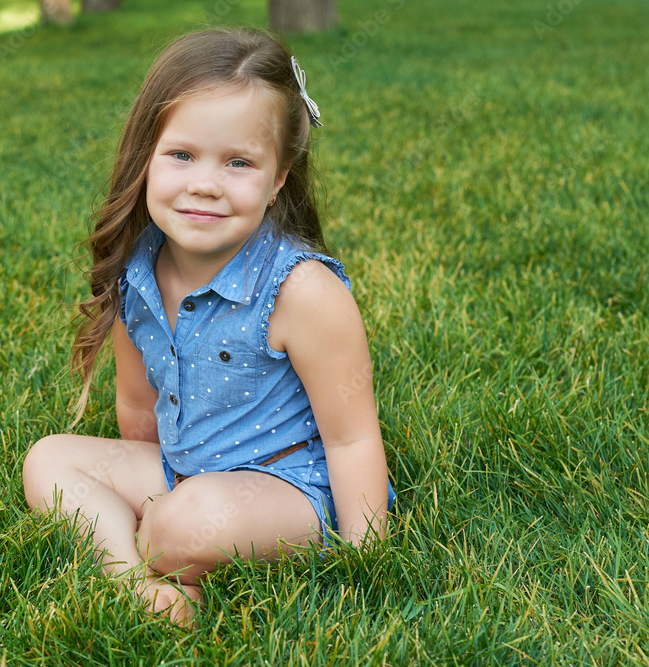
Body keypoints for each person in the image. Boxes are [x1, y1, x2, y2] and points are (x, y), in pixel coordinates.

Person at [23, 27, 395, 627]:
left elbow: (352, 437)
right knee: (48, 461)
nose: (205, 183)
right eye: (182, 155)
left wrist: (365, 554)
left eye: (239, 163)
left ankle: (155, 544)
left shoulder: (299, 291)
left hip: (291, 488)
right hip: (186, 470)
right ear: (146, 156)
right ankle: (135, 582)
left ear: (277, 180)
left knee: (182, 524)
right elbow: (138, 410)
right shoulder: (137, 270)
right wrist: (148, 484)